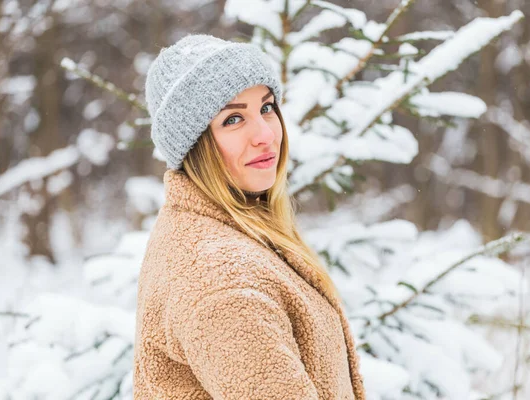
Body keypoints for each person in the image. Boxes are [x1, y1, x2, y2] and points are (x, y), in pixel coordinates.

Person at [133, 34, 366, 400]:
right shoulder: (222, 282)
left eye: (267, 108)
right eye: (234, 118)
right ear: (194, 144)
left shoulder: (214, 234)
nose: (265, 135)